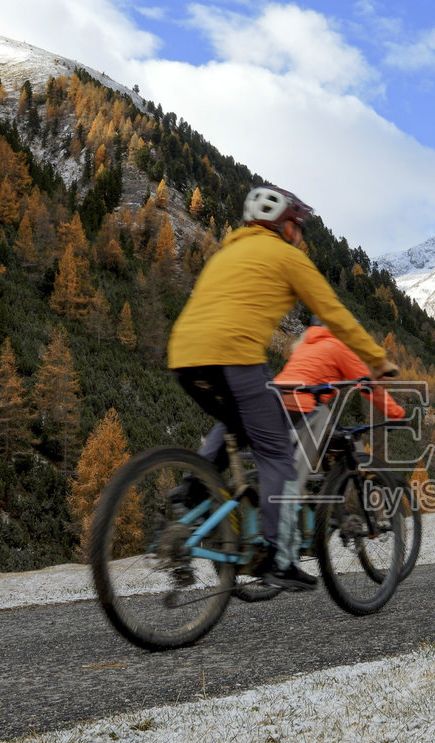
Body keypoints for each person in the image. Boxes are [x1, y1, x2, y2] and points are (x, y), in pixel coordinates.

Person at [168, 185, 396, 591]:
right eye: (300, 227)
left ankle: (193, 488)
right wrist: (377, 361)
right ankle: (278, 556)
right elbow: (336, 314)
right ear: (286, 225)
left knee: (234, 422)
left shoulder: (225, 254)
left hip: (185, 357)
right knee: (278, 457)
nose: (301, 235)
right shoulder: (288, 257)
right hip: (236, 356)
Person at [270, 323, 407, 569]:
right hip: (306, 408)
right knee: (352, 447)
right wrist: (396, 413)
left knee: (300, 460)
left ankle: (324, 507)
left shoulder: (303, 347)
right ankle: (366, 506)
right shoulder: (339, 346)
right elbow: (369, 387)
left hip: (274, 405)